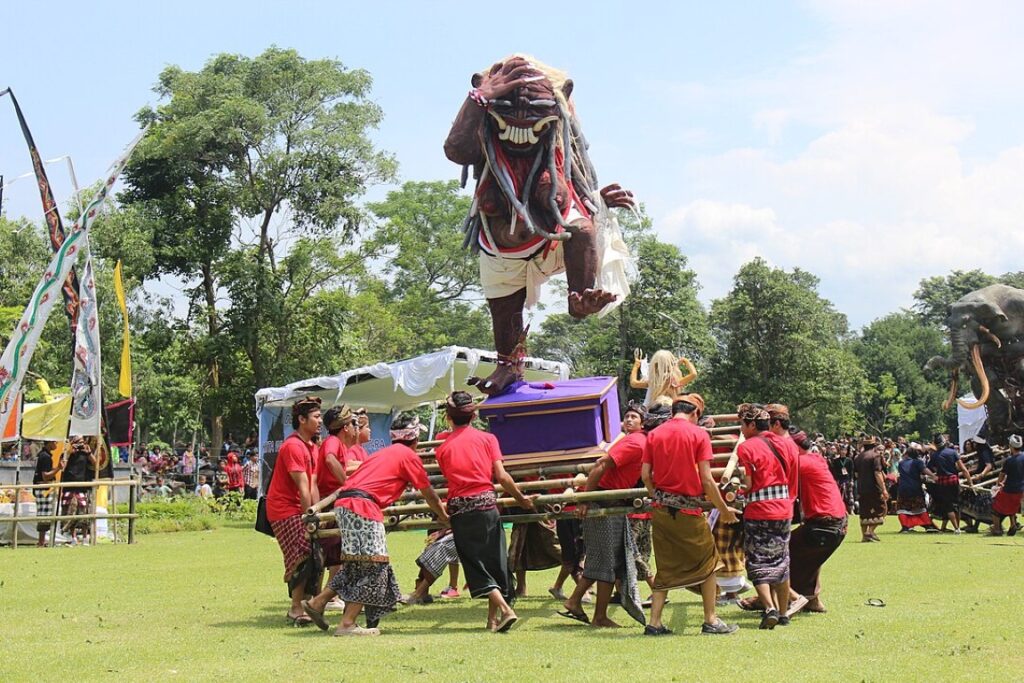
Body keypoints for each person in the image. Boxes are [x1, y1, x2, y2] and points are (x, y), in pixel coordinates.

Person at [302, 413, 448, 636]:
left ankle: (317, 603)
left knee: (355, 564)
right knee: (375, 565)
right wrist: (446, 519)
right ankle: (347, 624)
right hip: (362, 507)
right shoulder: (408, 456)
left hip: (345, 504)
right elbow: (429, 494)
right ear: (415, 439)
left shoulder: (383, 454)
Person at [435, 391, 536, 631]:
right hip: (488, 507)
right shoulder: (488, 439)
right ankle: (493, 618)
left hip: (461, 510)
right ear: (473, 415)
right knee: (494, 562)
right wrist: (522, 499)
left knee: (475, 565)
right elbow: (501, 476)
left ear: (449, 418)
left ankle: (504, 610)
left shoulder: (443, 449)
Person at [641, 395, 739, 636]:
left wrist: (659, 496)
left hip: (661, 511)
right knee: (709, 564)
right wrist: (724, 511)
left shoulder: (654, 435)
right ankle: (711, 620)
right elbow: (706, 479)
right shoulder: (698, 435)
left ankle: (654, 623)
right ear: (695, 412)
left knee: (665, 565)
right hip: (689, 511)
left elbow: (645, 475)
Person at [560, 402, 649, 629]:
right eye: (627, 416)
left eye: (633, 417)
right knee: (605, 561)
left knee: (606, 560)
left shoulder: (638, 442)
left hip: (610, 501)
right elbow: (600, 465)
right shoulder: (635, 442)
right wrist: (587, 499)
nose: (629, 420)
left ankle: (575, 602)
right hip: (603, 501)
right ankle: (596, 615)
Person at [736, 404, 795, 629]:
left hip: (759, 509)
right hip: (783, 508)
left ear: (752, 424)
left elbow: (749, 483)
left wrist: (738, 488)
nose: (741, 429)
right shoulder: (785, 443)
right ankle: (783, 613)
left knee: (757, 559)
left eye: (742, 424)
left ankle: (768, 607)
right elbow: (789, 476)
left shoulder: (746, 448)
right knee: (782, 559)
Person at [265, 396, 322, 626]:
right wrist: (308, 516)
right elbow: (303, 487)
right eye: (316, 417)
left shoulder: (312, 447)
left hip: (302, 508)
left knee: (315, 554)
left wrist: (319, 514)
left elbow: (314, 484)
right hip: (284, 509)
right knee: (301, 555)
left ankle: (309, 604)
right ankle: (296, 608)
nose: (320, 421)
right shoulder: (293, 446)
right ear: (301, 419)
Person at [786, 429, 848, 615]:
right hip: (838, 522)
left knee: (778, 554)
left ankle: (775, 598)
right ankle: (812, 600)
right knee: (811, 558)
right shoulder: (816, 458)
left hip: (824, 525)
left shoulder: (800, 463)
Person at [927, 434, 973, 533]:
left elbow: (930, 468)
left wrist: (935, 475)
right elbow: (963, 469)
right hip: (954, 480)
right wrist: (970, 482)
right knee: (956, 504)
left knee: (948, 506)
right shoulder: (953, 453)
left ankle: (956, 528)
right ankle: (958, 527)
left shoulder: (934, 456)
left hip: (942, 482)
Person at [629, 349, 697, 407]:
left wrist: (636, 365)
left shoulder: (654, 382)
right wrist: (686, 361)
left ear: (654, 365)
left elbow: (634, 383)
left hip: (653, 409)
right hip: (671, 409)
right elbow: (693, 374)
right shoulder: (676, 381)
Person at [61, 437, 96, 544]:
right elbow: (62, 466)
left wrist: (88, 452)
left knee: (84, 512)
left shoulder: (85, 453)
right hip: (69, 485)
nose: (80, 445)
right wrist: (70, 450)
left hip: (82, 486)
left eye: (82, 443)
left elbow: (95, 463)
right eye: (78, 443)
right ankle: (72, 537)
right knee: (70, 512)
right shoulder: (68, 453)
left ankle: (85, 537)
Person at [896, 443, 938, 533]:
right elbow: (925, 470)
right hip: (915, 488)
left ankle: (905, 527)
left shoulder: (901, 463)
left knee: (903, 508)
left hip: (903, 488)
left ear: (907, 454)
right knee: (919, 507)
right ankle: (927, 525)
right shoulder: (918, 462)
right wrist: (933, 476)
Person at [854, 438, 888, 541]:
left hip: (861, 488)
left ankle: (864, 535)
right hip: (873, 488)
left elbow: (856, 474)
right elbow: (877, 473)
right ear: (875, 446)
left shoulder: (858, 457)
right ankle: (870, 532)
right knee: (881, 509)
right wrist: (884, 489)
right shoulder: (875, 456)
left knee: (864, 512)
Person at [991, 434, 1024, 536]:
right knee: (1012, 507)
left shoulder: (1009, 461)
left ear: (1011, 446)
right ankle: (1013, 524)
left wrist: (997, 485)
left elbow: (1002, 475)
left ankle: (997, 529)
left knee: (995, 508)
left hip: (1010, 489)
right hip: (1021, 489)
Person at [32, 441, 60, 547]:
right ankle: (41, 541)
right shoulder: (45, 457)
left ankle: (42, 541)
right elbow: (45, 476)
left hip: (43, 489)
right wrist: (58, 468)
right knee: (44, 515)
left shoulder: (43, 455)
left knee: (45, 514)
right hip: (44, 489)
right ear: (50, 443)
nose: (56, 444)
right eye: (54, 442)